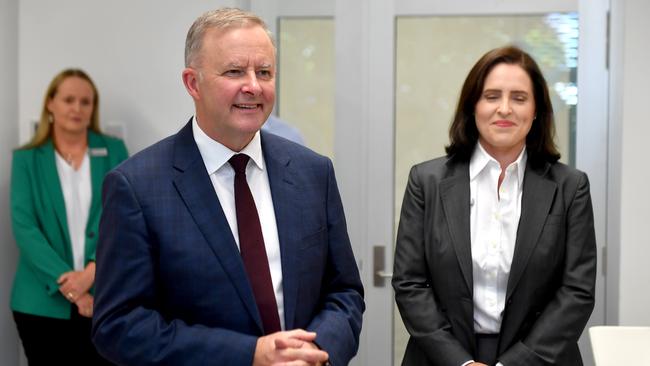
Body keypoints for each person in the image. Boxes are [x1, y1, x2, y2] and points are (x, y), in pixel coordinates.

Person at [92, 8, 364, 366]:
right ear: (193, 83)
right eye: (235, 71)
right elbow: (119, 326)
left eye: (264, 72)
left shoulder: (314, 173)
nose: (253, 85)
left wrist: (314, 353)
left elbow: (343, 292)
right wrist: (249, 355)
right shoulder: (137, 187)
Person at [392, 46, 596, 366]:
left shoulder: (570, 187)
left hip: (539, 359)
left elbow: (577, 292)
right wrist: (461, 363)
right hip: (442, 358)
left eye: (519, 97)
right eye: (491, 96)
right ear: (472, 106)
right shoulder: (426, 181)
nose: (505, 109)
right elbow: (409, 283)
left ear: (537, 110)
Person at [10, 68, 128, 365]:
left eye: (85, 102)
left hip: (104, 300)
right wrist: (73, 289)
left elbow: (125, 220)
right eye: (68, 99)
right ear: (50, 103)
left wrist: (92, 273)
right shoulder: (26, 160)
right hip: (40, 304)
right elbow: (25, 228)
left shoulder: (114, 151)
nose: (77, 108)